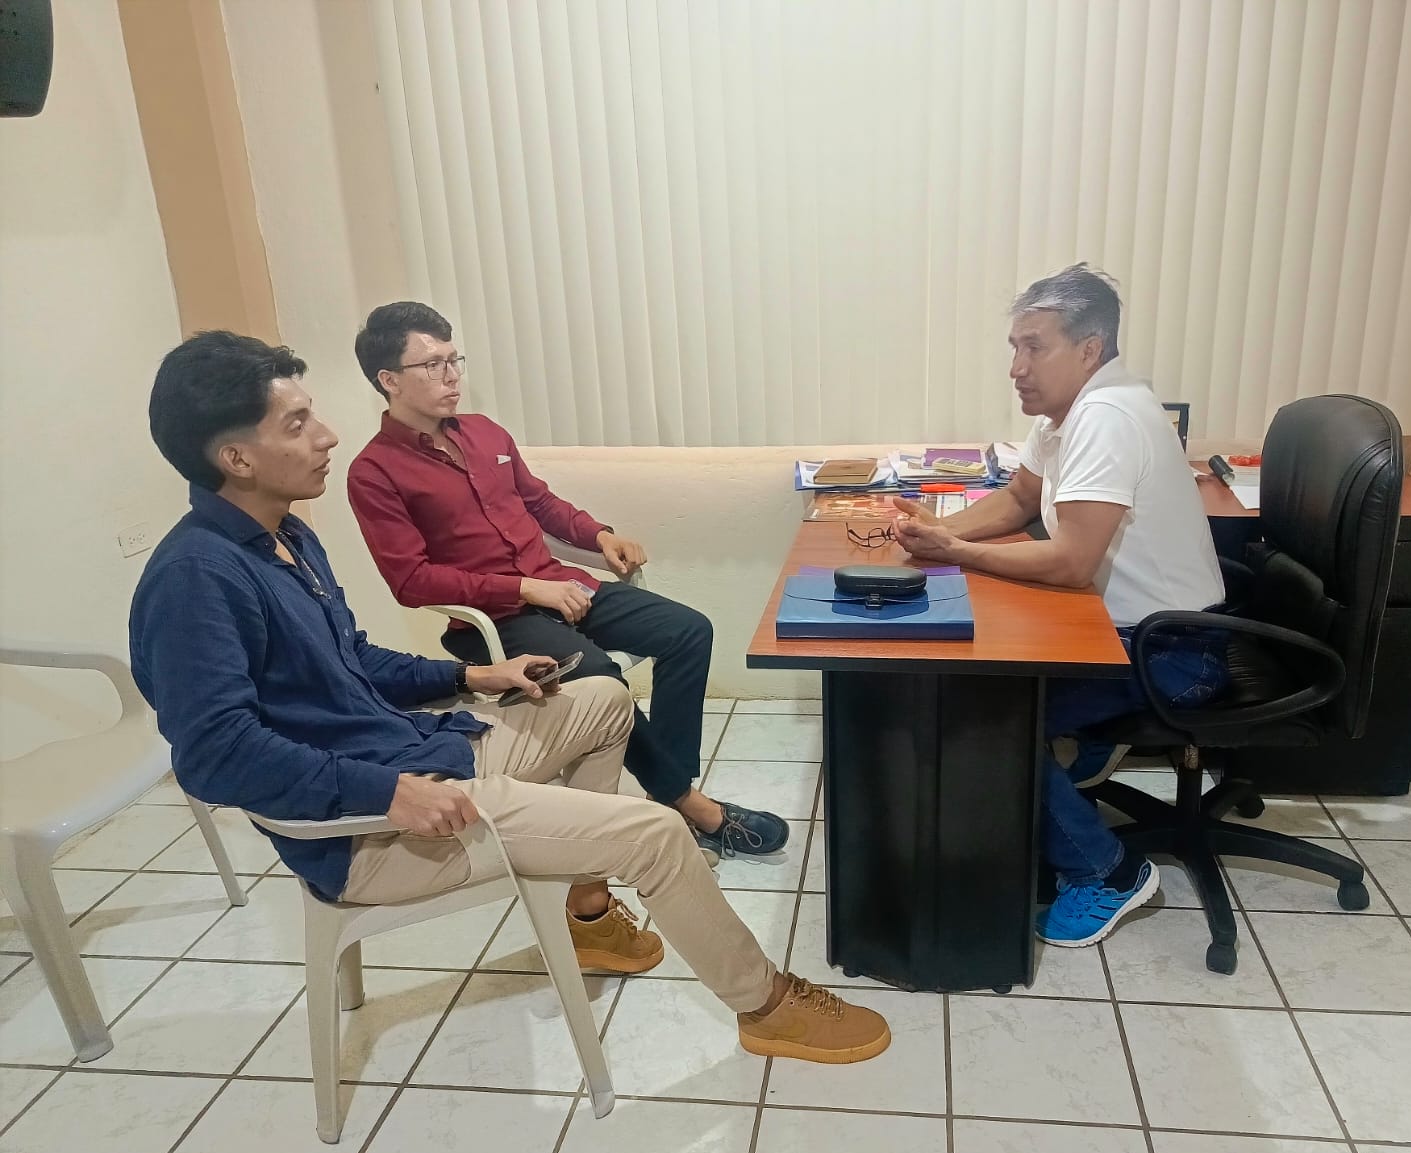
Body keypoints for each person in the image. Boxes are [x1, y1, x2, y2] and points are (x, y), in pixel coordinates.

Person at [129, 330, 889, 1065]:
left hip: (423, 754)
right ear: (237, 458)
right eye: (297, 424)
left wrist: (471, 679)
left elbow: (351, 658)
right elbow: (214, 755)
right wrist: (388, 793)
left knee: (605, 698)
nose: (326, 435)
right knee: (654, 834)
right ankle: (765, 1006)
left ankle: (588, 916)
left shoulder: (288, 538)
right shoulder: (197, 579)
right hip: (371, 831)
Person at [345, 302, 788, 863]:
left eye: (454, 360)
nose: (452, 375)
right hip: (494, 621)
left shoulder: (485, 432)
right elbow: (411, 581)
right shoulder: (374, 472)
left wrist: (599, 534)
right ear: (389, 380)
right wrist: (523, 589)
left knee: (688, 630)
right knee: (602, 678)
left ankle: (670, 789)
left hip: (561, 586)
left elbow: (539, 502)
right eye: (433, 365)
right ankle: (692, 806)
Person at [890, 264, 1227, 949]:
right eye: (1014, 347)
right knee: (984, 677)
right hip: (1121, 628)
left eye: (1034, 347)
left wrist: (957, 552)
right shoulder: (1067, 413)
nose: (1016, 367)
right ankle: (1072, 767)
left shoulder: (1106, 416)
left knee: (985, 718)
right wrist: (941, 533)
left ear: (1088, 349)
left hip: (1170, 650)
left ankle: (1107, 872)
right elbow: (1019, 498)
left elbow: (1072, 561)